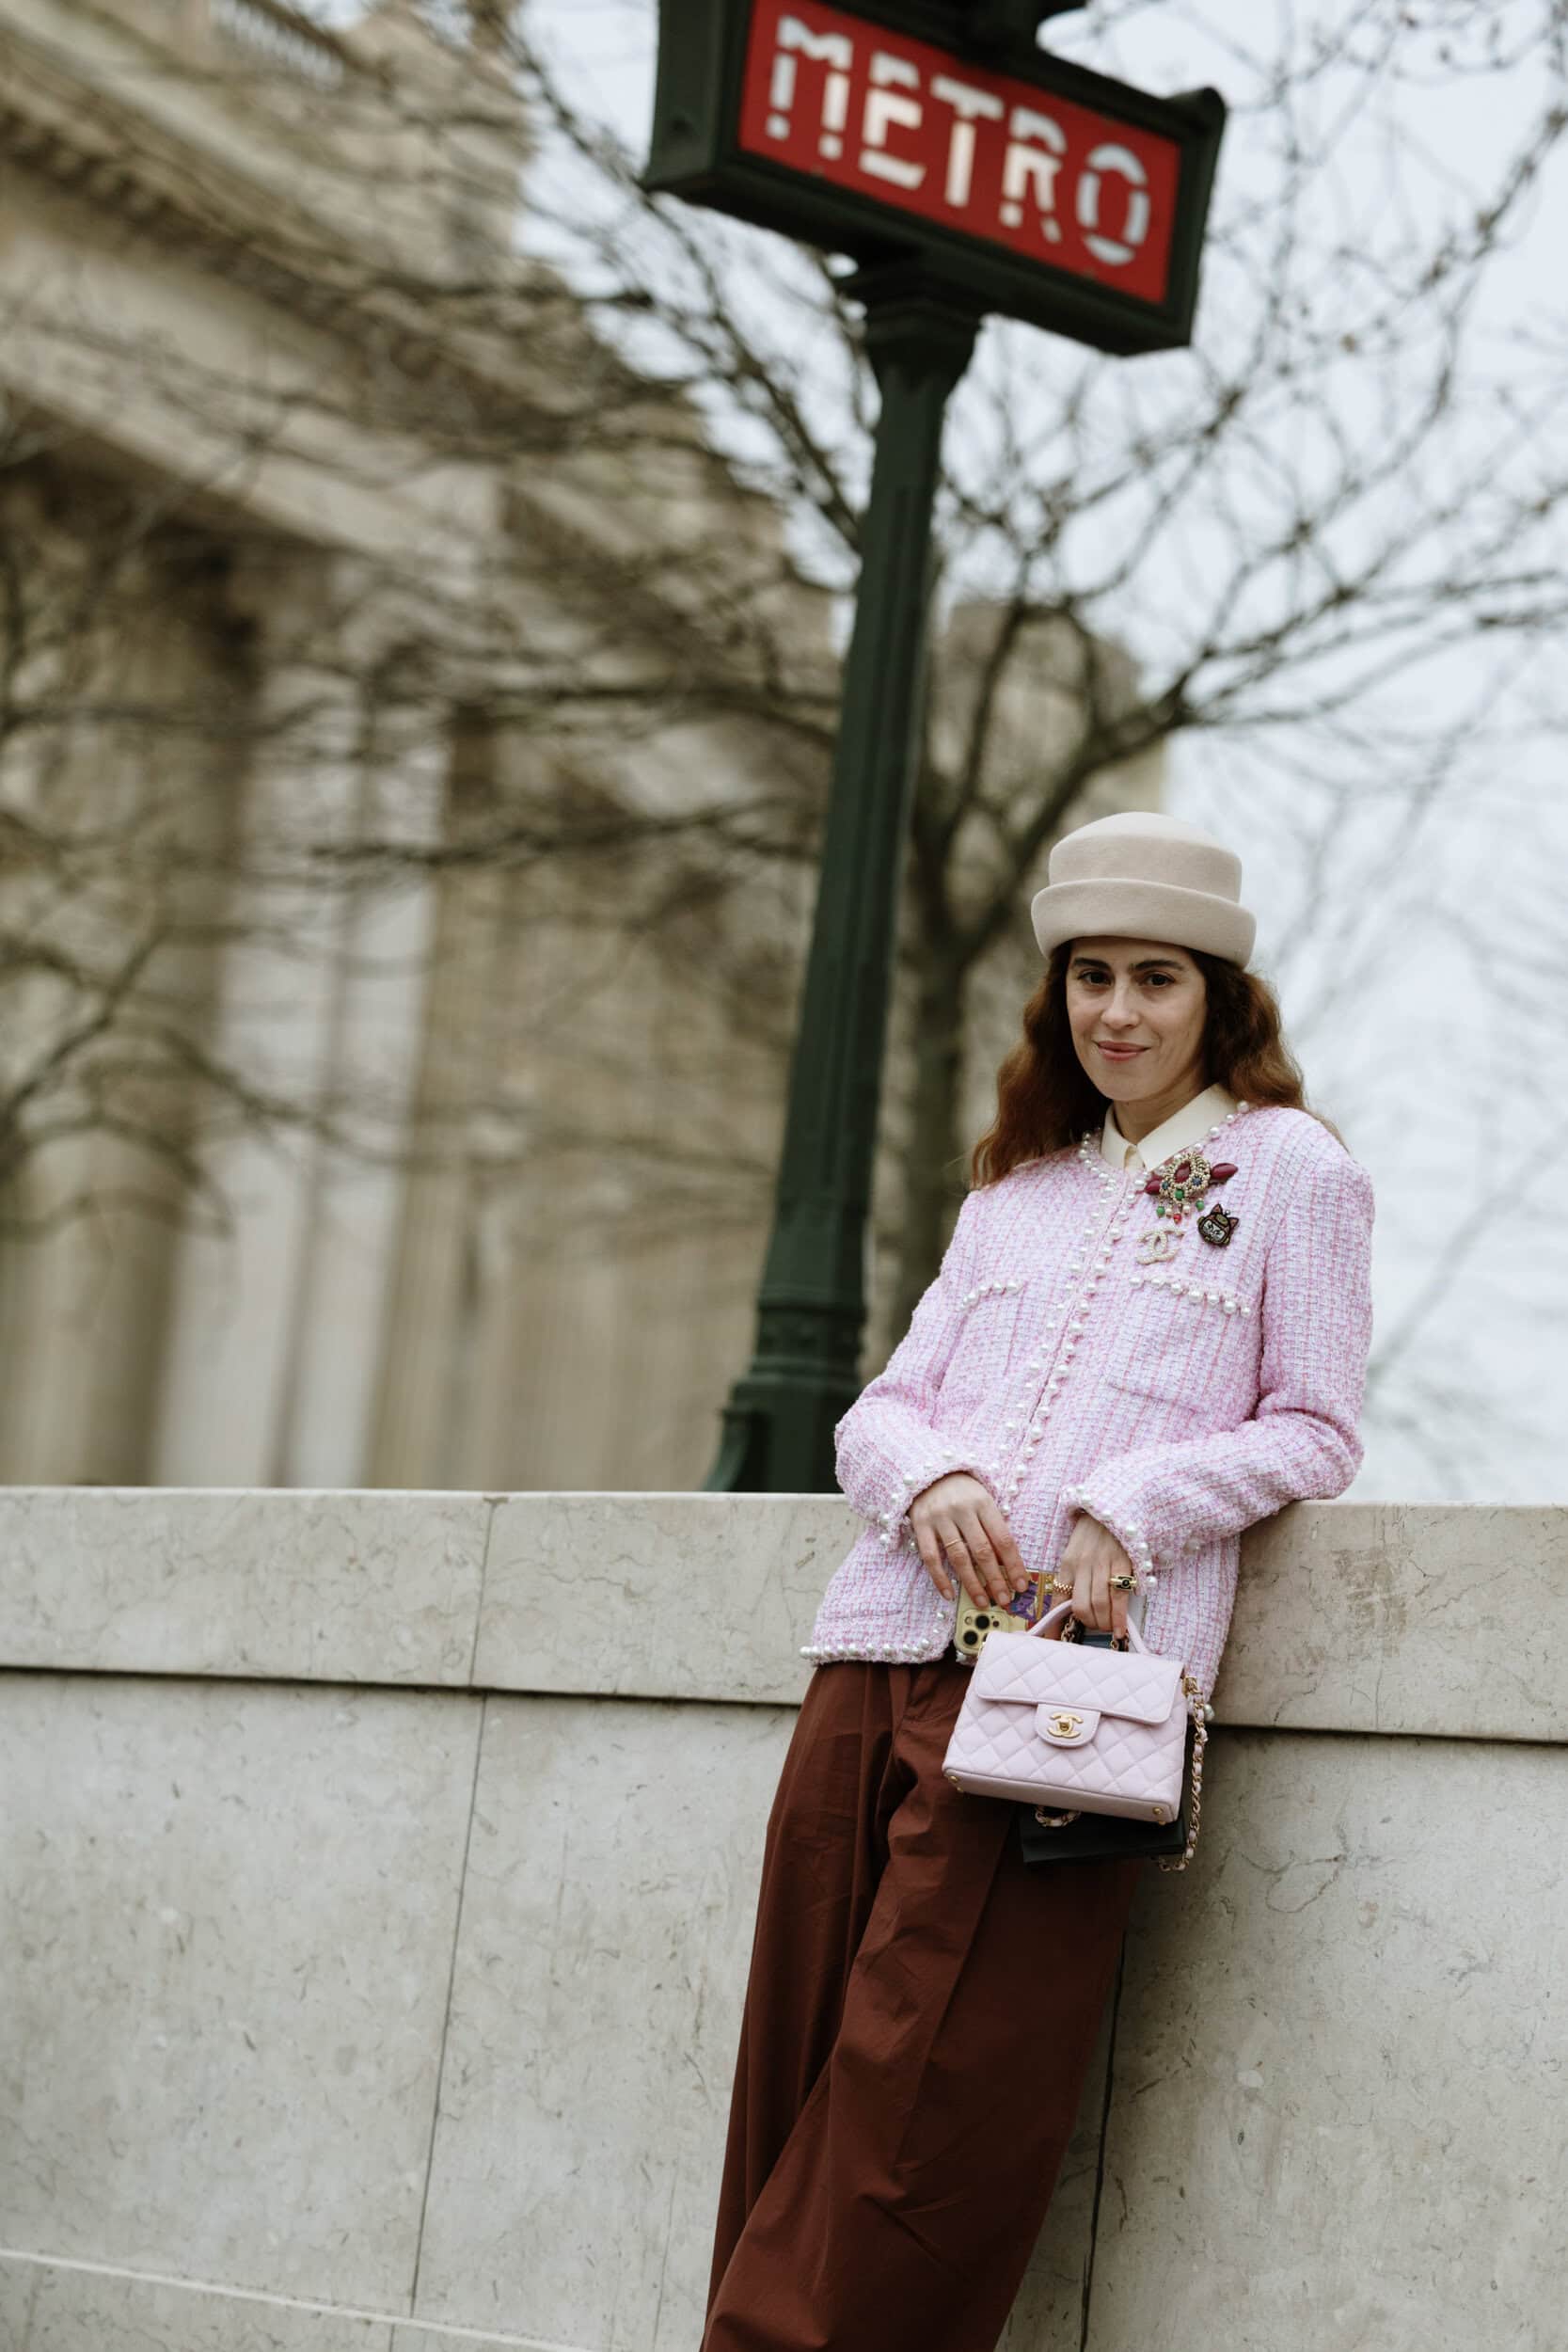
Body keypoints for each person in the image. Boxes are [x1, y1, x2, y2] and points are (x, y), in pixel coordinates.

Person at [700, 810, 1376, 2352]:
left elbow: (1317, 1428)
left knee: (927, 2109)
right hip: (871, 1664)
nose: (1119, 1013)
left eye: (1154, 978)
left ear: (1220, 997)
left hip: (1071, 1697)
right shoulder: (1014, 1191)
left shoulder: (1291, 1172)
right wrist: (923, 1478)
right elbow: (879, 1407)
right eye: (1090, 978)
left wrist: (1130, 1504)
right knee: (801, 2069)